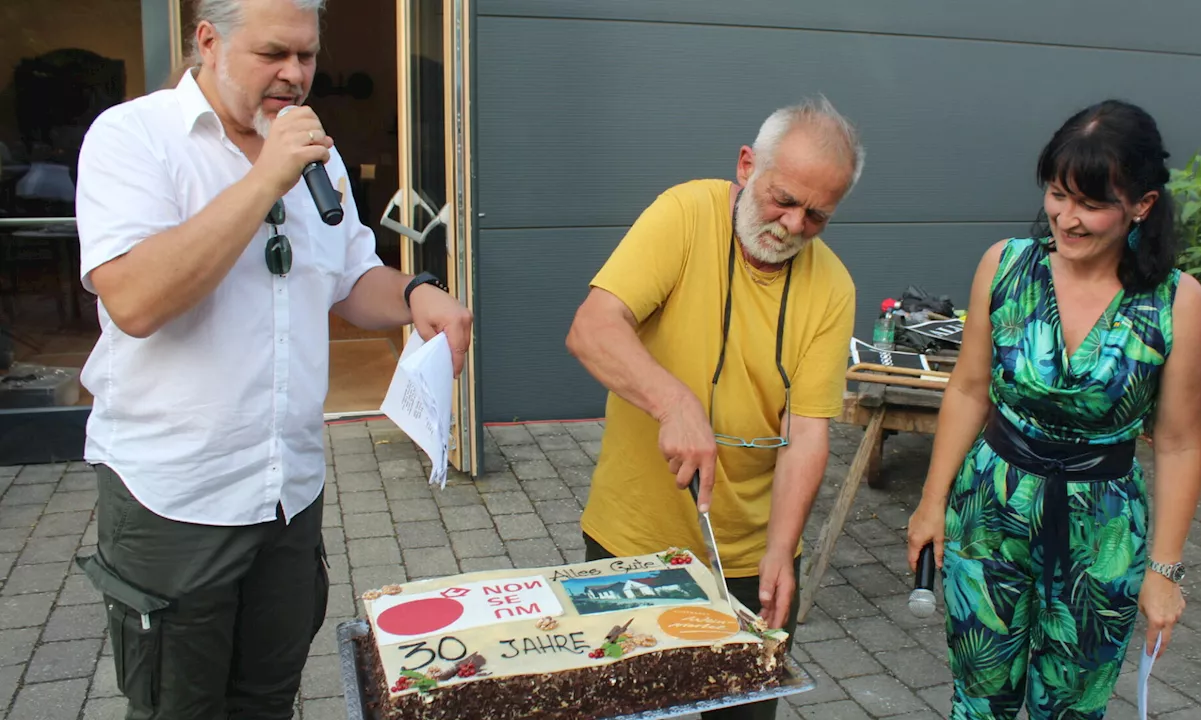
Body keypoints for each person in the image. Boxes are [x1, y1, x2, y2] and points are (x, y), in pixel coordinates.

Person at [71, 0, 472, 717]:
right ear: (208, 42)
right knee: (177, 707)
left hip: (289, 493)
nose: (295, 75)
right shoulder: (134, 138)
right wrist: (264, 182)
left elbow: (350, 278)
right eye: (273, 55)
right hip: (175, 498)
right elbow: (134, 301)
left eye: (308, 56)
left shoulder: (317, 155)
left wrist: (416, 293)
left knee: (268, 700)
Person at [905, 99, 1201, 720]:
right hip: (989, 511)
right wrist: (931, 501)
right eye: (1057, 194)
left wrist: (1164, 569)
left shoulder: (1176, 305)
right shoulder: (1005, 267)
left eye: (1092, 204)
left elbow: (1181, 442)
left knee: (1071, 709)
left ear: (1142, 206)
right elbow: (969, 388)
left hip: (1101, 531)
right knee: (979, 700)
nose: (1067, 219)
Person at [566, 96, 861, 720]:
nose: (792, 225)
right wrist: (673, 401)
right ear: (748, 165)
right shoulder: (684, 212)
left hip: (752, 556)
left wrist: (782, 550)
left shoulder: (833, 288)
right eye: (783, 198)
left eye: (817, 216)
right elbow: (593, 328)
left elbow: (806, 434)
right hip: (633, 543)